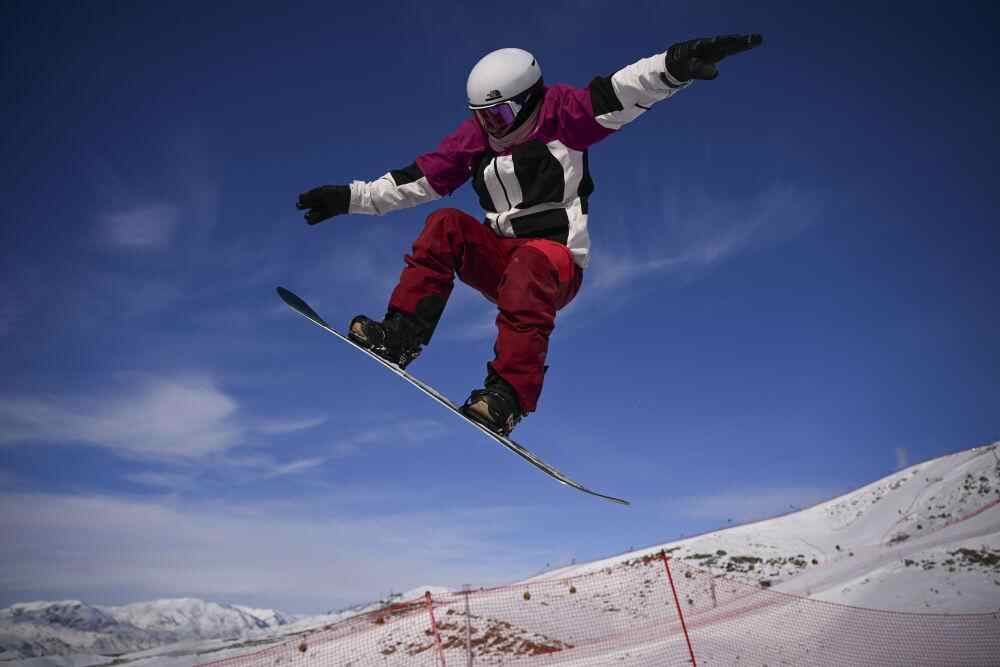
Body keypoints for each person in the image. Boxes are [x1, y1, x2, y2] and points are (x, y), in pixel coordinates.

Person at [296, 35, 763, 436]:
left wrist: (673, 65)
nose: (491, 128)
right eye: (483, 117)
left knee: (529, 263)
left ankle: (508, 396)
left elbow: (622, 91)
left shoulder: (563, 115)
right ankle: (400, 336)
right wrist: (350, 198)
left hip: (553, 265)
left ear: (527, 100)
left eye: (499, 116)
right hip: (500, 260)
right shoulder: (476, 140)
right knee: (445, 225)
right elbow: (417, 179)